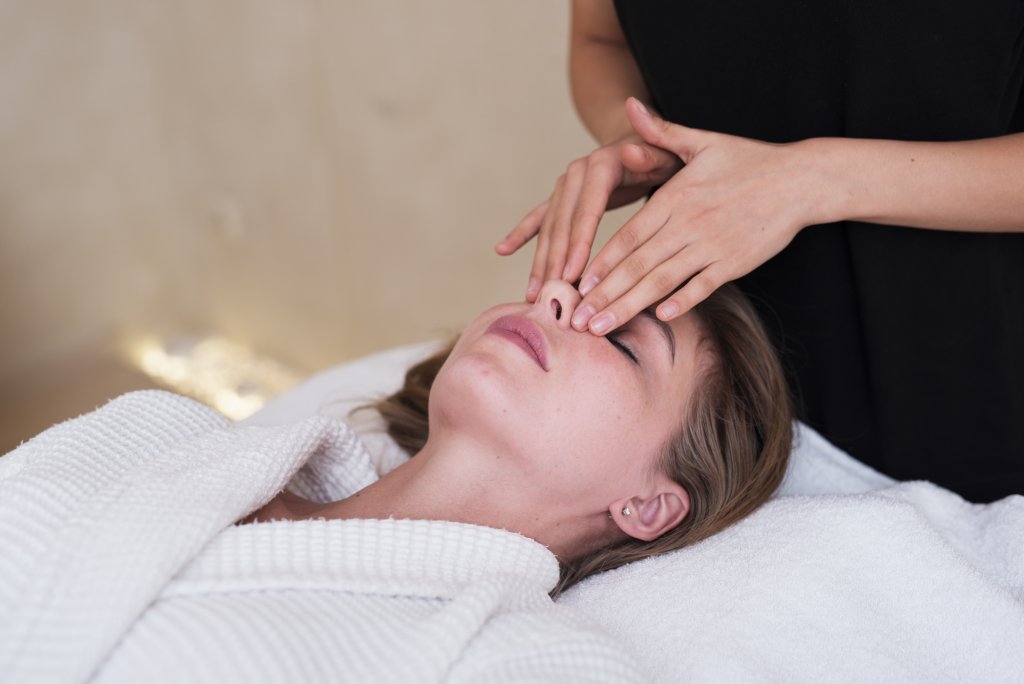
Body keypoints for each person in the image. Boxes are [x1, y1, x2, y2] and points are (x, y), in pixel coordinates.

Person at [1, 279, 791, 683]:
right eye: (569, 285)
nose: (554, 297)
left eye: (622, 339)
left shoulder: (528, 665)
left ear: (649, 504)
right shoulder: (157, 434)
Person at [497, 0, 1024, 502]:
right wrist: (636, 137)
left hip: (976, 379)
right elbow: (601, 40)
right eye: (622, 341)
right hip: (729, 405)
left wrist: (813, 181)